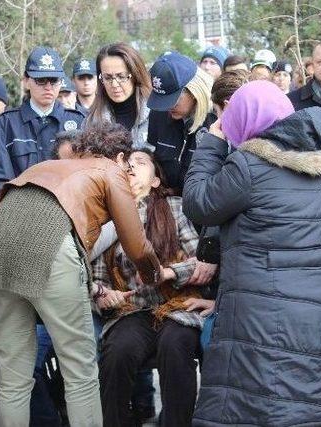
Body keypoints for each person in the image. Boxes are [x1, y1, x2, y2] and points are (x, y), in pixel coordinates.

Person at [182, 80, 321, 426]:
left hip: (268, 327)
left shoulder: (248, 168)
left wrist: (213, 142)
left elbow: (197, 202)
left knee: (270, 407)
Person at [0, 122, 162, 427]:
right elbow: (137, 245)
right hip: (51, 250)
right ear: (120, 157)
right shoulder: (110, 169)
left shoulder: (46, 166)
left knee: (13, 375)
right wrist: (154, 276)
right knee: (80, 371)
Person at [96, 150, 204, 427]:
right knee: (117, 351)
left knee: (175, 344)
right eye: (128, 163)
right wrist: (104, 296)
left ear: (156, 180)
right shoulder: (107, 218)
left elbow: (201, 264)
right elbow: (97, 280)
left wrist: (169, 273)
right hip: (133, 310)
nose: (132, 165)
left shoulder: (175, 207)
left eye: (141, 162)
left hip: (177, 305)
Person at [0, 46, 86, 194]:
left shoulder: (79, 122)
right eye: (41, 80)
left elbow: (87, 176)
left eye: (54, 80)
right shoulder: (5, 124)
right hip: (19, 211)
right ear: (26, 81)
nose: (48, 87)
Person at [147, 51, 216, 192]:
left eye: (173, 100)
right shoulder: (158, 113)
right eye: (162, 100)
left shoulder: (216, 122)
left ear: (194, 91)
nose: (167, 107)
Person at [86, 42, 152, 151]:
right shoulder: (92, 120)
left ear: (136, 75)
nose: (114, 84)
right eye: (107, 78)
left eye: (121, 76)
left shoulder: (156, 114)